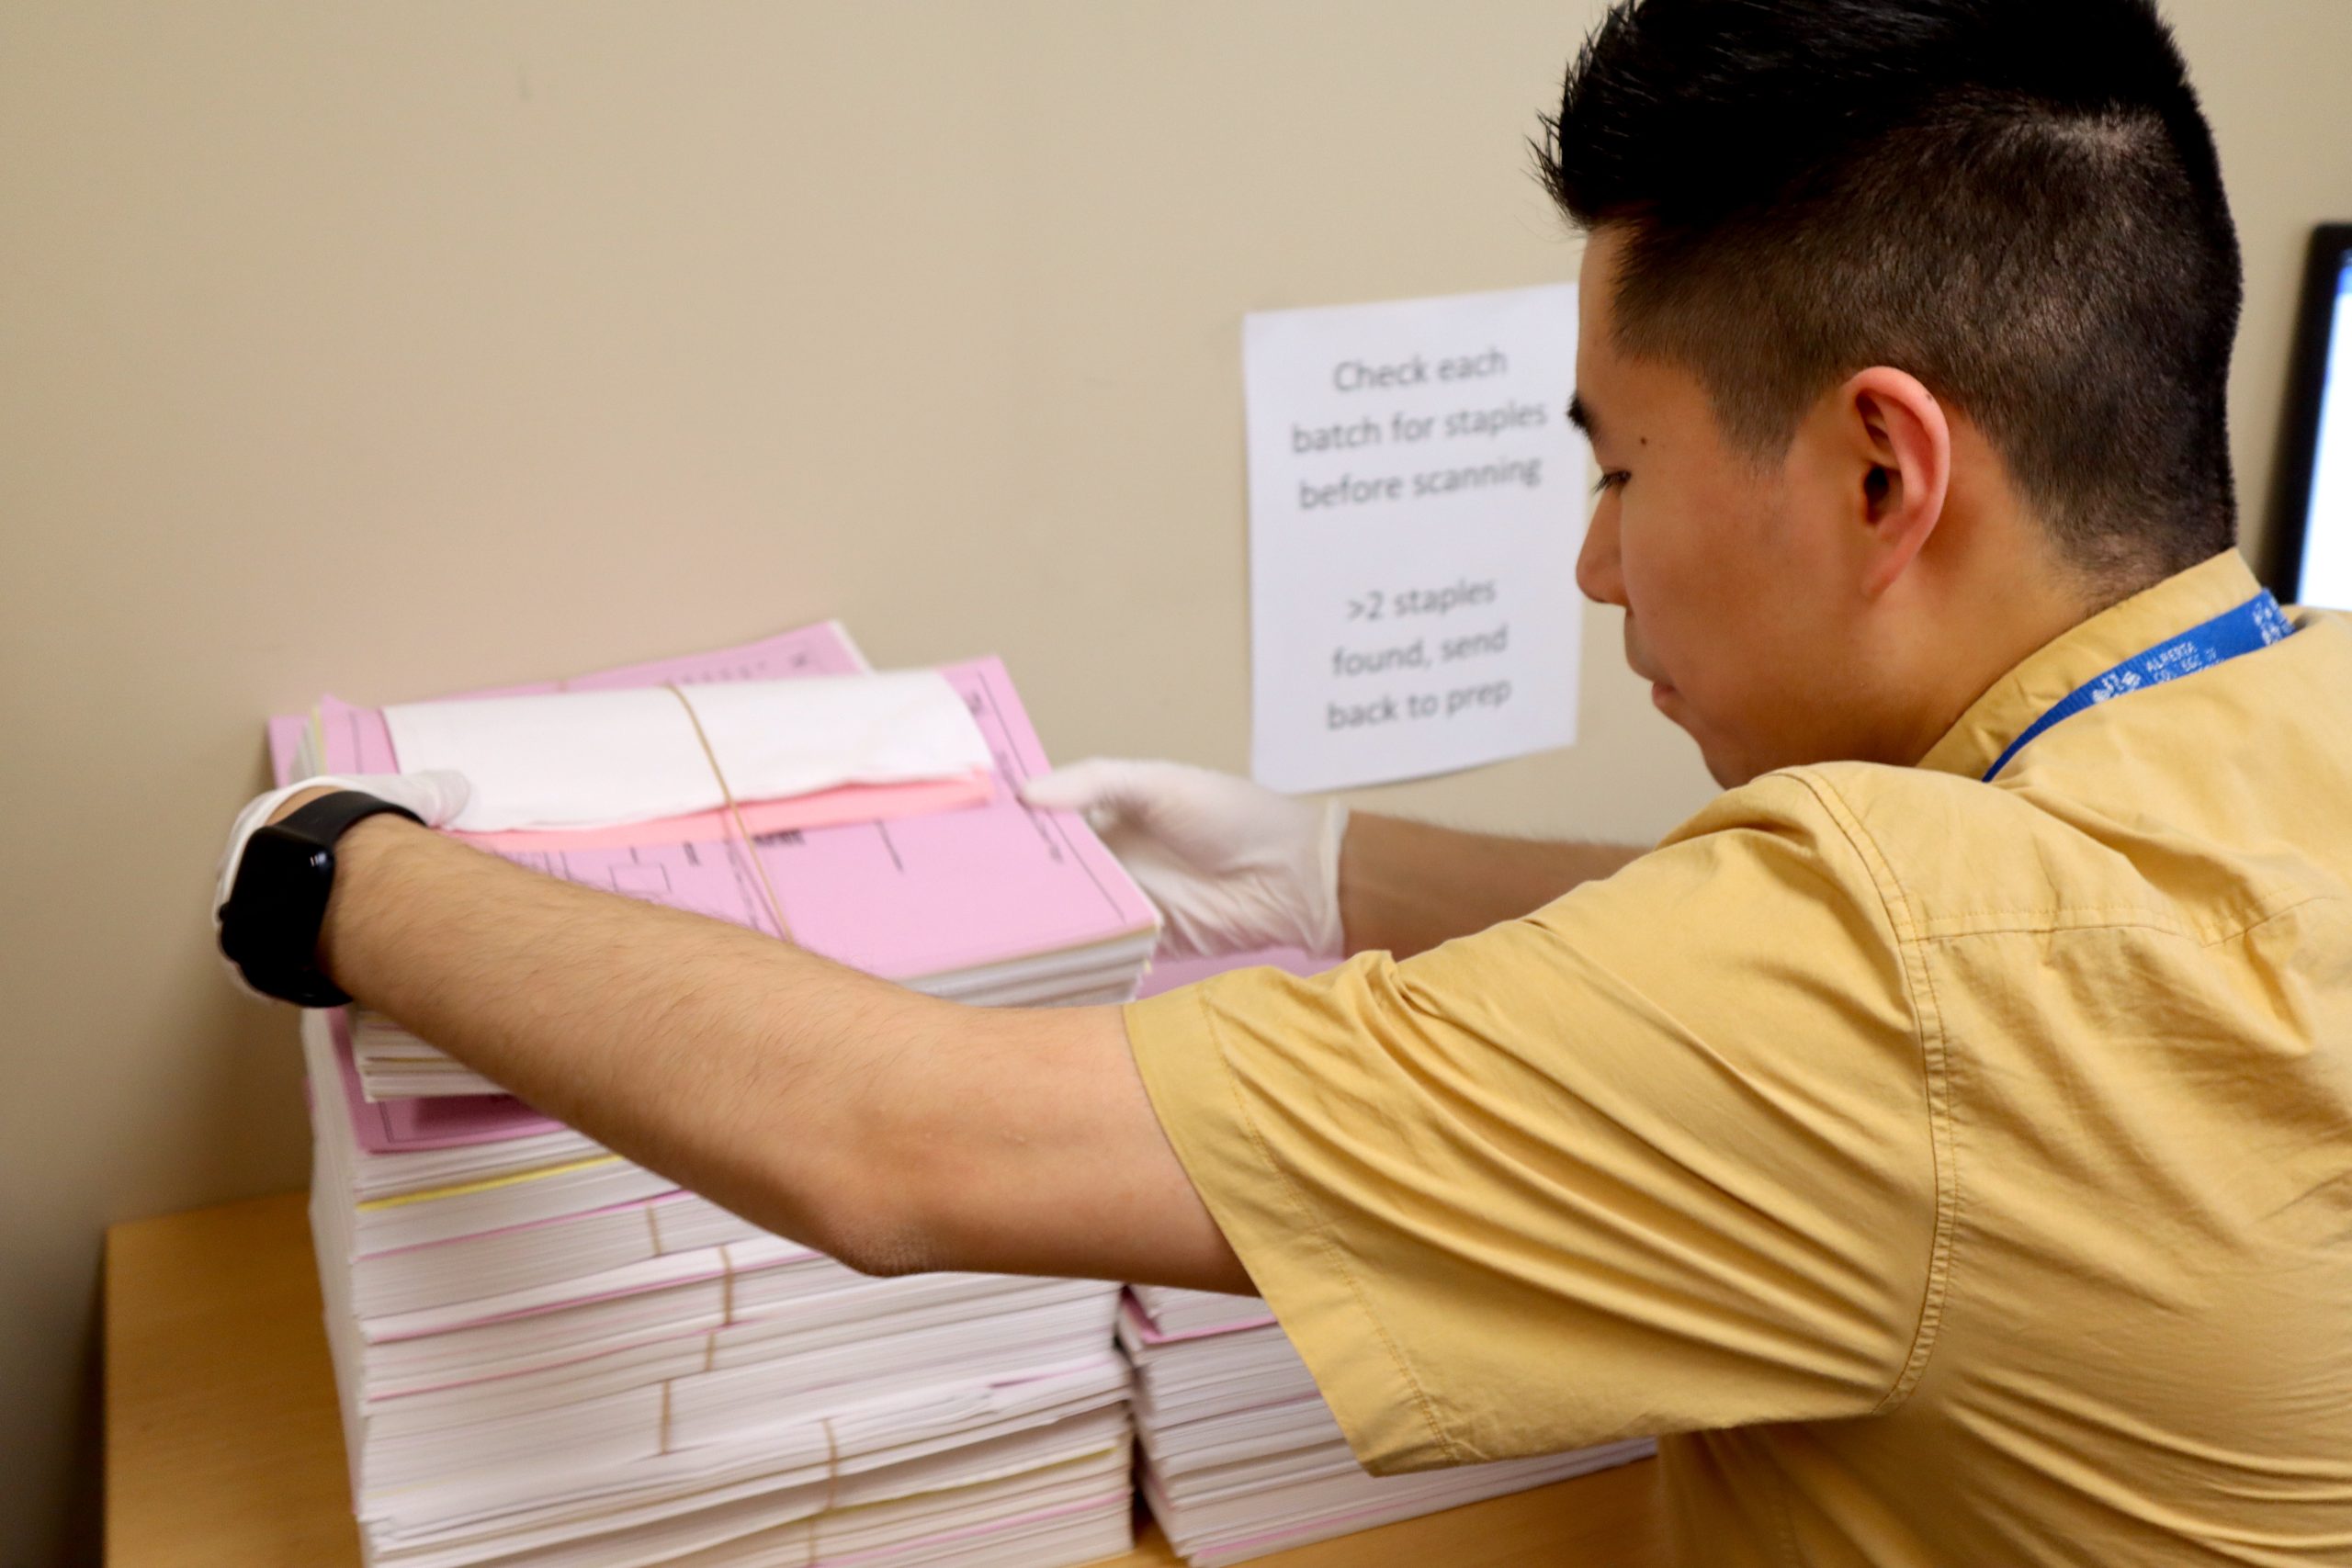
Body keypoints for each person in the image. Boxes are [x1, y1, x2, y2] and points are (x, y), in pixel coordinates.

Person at [212, 0, 2352, 1562]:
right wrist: (1334, 864)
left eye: (1613, 465)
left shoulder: (1894, 987)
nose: (1590, 557)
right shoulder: (2271, 732)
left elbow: (894, 1141)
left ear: (1881, 467)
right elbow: (1943, 997)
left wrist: (344, 865)